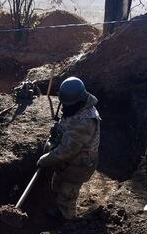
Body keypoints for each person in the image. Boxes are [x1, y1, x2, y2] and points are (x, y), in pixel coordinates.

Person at [37, 77, 101, 220]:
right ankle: (57, 207)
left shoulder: (85, 122)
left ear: (78, 101)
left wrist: (45, 159)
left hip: (80, 164)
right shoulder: (75, 107)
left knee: (67, 193)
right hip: (66, 162)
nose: (64, 107)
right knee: (57, 184)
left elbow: (67, 150)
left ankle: (67, 221)